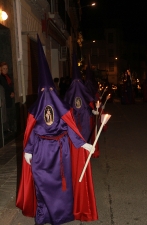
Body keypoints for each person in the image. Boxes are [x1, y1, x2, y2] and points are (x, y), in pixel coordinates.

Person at [16, 35, 98, 225]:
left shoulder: (62, 110)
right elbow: (32, 132)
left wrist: (84, 144)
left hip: (62, 154)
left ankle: (61, 215)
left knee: (63, 187)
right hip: (42, 154)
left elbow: (70, 129)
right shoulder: (34, 111)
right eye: (43, 91)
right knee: (43, 186)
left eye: (49, 91)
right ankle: (44, 216)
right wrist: (28, 150)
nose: (47, 94)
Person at [0, 62, 15, 132]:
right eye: (4, 68)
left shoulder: (7, 76)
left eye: (6, 68)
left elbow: (10, 86)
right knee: (5, 114)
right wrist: (10, 92)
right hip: (4, 98)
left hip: (9, 98)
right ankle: (6, 128)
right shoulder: (1, 77)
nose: (5, 70)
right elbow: (5, 86)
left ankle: (10, 127)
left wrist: (12, 92)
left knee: (9, 113)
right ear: (1, 69)